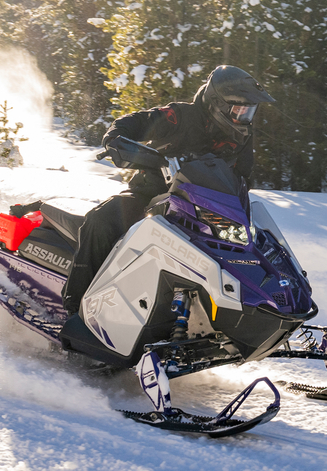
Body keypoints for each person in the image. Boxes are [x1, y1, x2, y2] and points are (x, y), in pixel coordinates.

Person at [61, 65, 276, 317]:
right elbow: (138, 122)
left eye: (248, 111)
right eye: (238, 109)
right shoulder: (179, 116)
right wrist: (117, 138)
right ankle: (74, 309)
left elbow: (243, 178)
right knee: (101, 221)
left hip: (203, 208)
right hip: (151, 196)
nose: (243, 116)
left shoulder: (241, 135)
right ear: (217, 103)